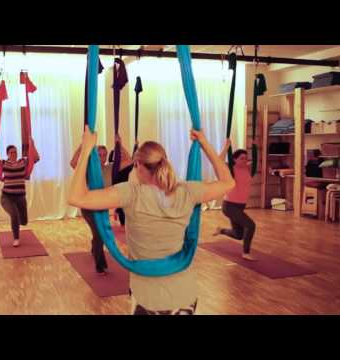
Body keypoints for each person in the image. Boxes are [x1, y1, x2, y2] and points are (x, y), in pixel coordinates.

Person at [68, 126, 235, 314]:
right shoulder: (187, 191)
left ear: (138, 166)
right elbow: (228, 182)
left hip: (148, 298)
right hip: (184, 294)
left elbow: (76, 197)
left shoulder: (131, 193)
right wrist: (204, 143)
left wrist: (86, 149)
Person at [70, 134, 133, 275]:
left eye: (104, 155)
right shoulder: (87, 168)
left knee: (98, 233)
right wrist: (83, 144)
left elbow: (129, 161)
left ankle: (94, 247)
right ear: (94, 155)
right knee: (99, 234)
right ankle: (100, 265)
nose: (102, 157)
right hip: (88, 206)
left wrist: (120, 145)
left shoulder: (110, 168)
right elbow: (73, 163)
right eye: (99, 154)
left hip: (102, 206)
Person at [0, 140, 40, 247]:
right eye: (11, 153)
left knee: (24, 221)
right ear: (7, 154)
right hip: (7, 197)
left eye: (15, 152)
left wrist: (33, 146)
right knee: (14, 215)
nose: (13, 154)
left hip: (20, 196)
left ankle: (18, 223)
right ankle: (16, 238)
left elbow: (36, 158)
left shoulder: (23, 162)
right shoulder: (3, 163)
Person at [213, 139, 256, 260]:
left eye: (246, 158)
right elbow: (218, 161)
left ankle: (221, 230)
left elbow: (256, 161)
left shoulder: (246, 169)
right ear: (235, 159)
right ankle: (246, 253)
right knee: (251, 225)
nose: (245, 160)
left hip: (240, 206)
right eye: (242, 158)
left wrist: (254, 148)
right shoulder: (231, 170)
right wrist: (226, 146)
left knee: (239, 235)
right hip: (230, 206)